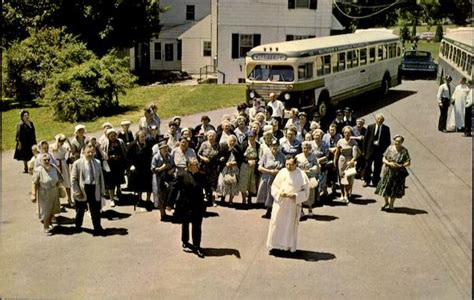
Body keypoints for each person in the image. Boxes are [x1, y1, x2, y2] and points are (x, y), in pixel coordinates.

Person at [267, 156, 310, 254]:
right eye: (287, 164)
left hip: (292, 205)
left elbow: (306, 192)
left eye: (291, 164)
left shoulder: (302, 175)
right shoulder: (282, 172)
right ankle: (275, 245)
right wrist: (279, 193)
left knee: (289, 226)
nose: (288, 166)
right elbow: (274, 186)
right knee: (276, 224)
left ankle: (287, 247)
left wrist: (295, 195)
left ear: (296, 164)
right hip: (280, 203)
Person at [71, 143, 106, 235]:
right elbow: (73, 179)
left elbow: (101, 177)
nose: (90, 154)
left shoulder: (97, 162)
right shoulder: (77, 164)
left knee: (95, 210)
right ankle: (78, 226)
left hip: (94, 188)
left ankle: (97, 227)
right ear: (83, 152)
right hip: (82, 189)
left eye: (92, 152)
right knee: (80, 209)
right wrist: (77, 191)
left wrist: (102, 190)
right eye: (88, 152)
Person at [174, 158, 207, 258]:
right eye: (195, 165)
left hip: (198, 205)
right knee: (185, 224)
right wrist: (170, 204)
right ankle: (185, 240)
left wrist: (211, 194)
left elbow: (207, 186)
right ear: (189, 166)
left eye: (197, 164)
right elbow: (174, 188)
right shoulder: (182, 176)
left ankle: (197, 246)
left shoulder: (201, 175)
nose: (197, 166)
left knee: (197, 226)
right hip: (185, 205)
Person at [375, 135, 411, 212]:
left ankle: (391, 204)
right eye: (396, 141)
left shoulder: (404, 151)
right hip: (388, 170)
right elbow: (383, 158)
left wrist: (401, 165)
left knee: (394, 188)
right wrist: (388, 163)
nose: (397, 142)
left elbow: (408, 162)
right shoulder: (390, 148)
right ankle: (386, 202)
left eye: (399, 141)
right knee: (385, 187)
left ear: (402, 142)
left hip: (398, 172)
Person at [31, 153, 63, 235]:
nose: (47, 161)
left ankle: (50, 224)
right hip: (44, 193)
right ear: (41, 161)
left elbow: (59, 179)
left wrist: (59, 189)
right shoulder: (38, 170)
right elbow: (34, 183)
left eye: (48, 159)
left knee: (52, 209)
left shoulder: (53, 168)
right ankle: (45, 226)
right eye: (44, 160)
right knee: (46, 211)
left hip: (54, 191)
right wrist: (33, 194)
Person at [257, 140, 285, 218]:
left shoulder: (282, 156)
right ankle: (269, 210)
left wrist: (278, 171)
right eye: (273, 146)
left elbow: (286, 168)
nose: (274, 148)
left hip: (277, 178)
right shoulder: (266, 154)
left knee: (276, 194)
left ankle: (275, 211)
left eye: (276, 146)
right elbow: (259, 167)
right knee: (268, 194)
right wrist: (270, 171)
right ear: (270, 146)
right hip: (267, 177)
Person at [127, 130, 153, 210]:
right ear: (137, 137)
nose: (143, 138)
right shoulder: (133, 145)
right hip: (137, 168)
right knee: (139, 185)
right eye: (141, 137)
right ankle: (139, 199)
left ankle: (148, 200)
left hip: (147, 168)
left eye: (144, 136)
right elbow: (128, 157)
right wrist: (131, 166)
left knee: (148, 185)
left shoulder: (148, 144)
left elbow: (151, 155)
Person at [101, 129, 127, 207]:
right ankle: (112, 199)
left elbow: (124, 151)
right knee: (111, 183)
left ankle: (119, 190)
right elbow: (103, 154)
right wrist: (110, 157)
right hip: (110, 166)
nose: (113, 136)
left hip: (119, 164)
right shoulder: (105, 143)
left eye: (114, 134)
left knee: (119, 179)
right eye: (111, 135)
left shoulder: (120, 141)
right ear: (108, 136)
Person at [363, 113, 391, 187]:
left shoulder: (386, 129)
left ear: (383, 120)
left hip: (379, 151)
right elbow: (365, 140)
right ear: (376, 119)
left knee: (378, 167)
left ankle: (375, 181)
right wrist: (364, 151)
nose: (379, 121)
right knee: (368, 166)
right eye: (378, 119)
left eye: (381, 120)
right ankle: (366, 180)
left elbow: (388, 141)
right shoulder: (370, 127)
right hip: (370, 150)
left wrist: (384, 151)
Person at [335, 126, 360, 203]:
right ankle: (342, 194)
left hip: (350, 161)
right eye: (345, 132)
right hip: (341, 160)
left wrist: (353, 160)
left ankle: (346, 194)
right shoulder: (340, 141)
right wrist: (334, 162)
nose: (347, 134)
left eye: (349, 132)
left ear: (351, 133)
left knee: (348, 178)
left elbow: (356, 153)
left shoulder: (353, 142)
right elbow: (337, 152)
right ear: (343, 133)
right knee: (342, 177)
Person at [151, 140, 175, 220]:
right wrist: (162, 168)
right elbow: (153, 169)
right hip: (158, 178)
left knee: (169, 193)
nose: (165, 149)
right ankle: (162, 214)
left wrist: (171, 170)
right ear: (160, 149)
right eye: (163, 148)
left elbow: (173, 165)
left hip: (168, 176)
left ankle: (169, 207)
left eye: (166, 147)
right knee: (160, 195)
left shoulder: (170, 156)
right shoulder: (156, 157)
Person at [216, 135, 242, 205]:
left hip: (234, 168)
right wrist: (225, 163)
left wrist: (235, 163)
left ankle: (231, 200)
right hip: (225, 168)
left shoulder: (237, 149)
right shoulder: (224, 148)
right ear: (228, 141)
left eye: (234, 141)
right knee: (223, 183)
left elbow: (240, 159)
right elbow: (217, 158)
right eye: (231, 141)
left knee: (233, 184)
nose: (232, 142)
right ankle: (223, 198)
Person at [197, 130, 221, 207]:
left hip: (213, 166)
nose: (211, 137)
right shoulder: (204, 144)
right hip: (204, 166)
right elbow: (198, 154)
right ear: (207, 136)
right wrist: (203, 158)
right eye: (210, 136)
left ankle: (213, 201)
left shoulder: (217, 145)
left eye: (213, 136)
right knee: (204, 183)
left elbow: (219, 154)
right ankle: (205, 199)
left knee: (213, 184)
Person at [296, 141, 319, 216]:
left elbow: (316, 165)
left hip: (309, 176)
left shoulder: (313, 156)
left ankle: (310, 209)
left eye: (307, 148)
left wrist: (311, 169)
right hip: (300, 177)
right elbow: (295, 167)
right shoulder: (298, 157)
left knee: (310, 193)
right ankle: (301, 210)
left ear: (310, 148)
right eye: (304, 148)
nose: (305, 149)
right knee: (300, 193)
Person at [50, 134, 73, 207]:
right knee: (57, 183)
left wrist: (69, 142)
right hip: (56, 164)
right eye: (61, 141)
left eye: (63, 140)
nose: (62, 142)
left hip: (63, 163)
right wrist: (57, 140)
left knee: (67, 182)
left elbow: (72, 150)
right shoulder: (52, 145)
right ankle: (57, 201)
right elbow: (55, 149)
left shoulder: (65, 145)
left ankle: (69, 199)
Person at [238, 130, 259, 205]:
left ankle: (249, 199)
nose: (251, 138)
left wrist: (255, 161)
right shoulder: (244, 144)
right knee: (243, 182)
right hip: (245, 165)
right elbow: (239, 156)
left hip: (253, 166)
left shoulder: (257, 145)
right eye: (250, 136)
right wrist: (247, 161)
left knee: (251, 183)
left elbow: (259, 156)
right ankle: (243, 199)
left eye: (253, 136)